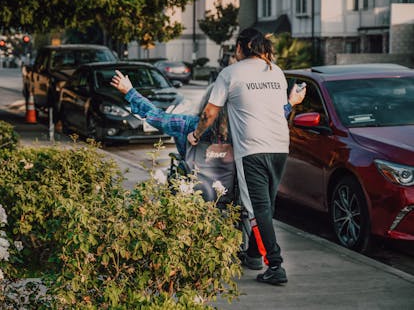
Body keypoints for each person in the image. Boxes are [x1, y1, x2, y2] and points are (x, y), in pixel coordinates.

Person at [187, 28, 299, 285]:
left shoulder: (230, 73)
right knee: (266, 206)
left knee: (257, 209)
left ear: (242, 47)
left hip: (252, 149)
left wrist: (196, 134)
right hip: (280, 145)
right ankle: (253, 256)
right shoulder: (276, 72)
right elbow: (280, 110)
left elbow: (209, 113)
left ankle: (275, 265)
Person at [110, 69, 305, 206]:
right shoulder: (244, 128)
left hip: (195, 190)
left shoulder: (189, 125)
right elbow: (271, 122)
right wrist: (290, 103)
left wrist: (130, 92)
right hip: (230, 192)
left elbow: (157, 116)